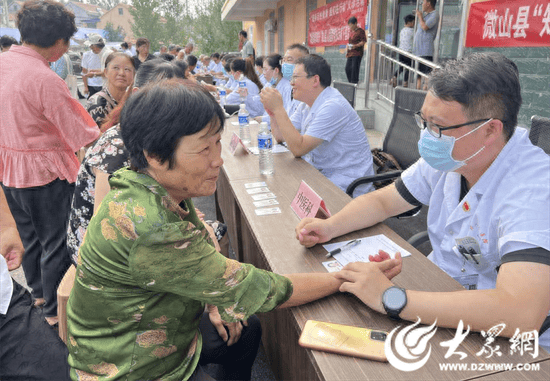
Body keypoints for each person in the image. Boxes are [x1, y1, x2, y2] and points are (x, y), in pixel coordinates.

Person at [65, 79, 404, 381]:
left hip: (159, 330)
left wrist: (214, 299)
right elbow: (260, 289)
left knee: (246, 330)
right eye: (203, 148)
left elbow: (201, 243)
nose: (219, 160)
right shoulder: (151, 227)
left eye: (218, 143)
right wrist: (343, 279)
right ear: (154, 154)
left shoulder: (145, 183)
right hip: (133, 366)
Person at [296, 52, 550, 351]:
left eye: (438, 127)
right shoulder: (457, 152)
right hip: (442, 293)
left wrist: (391, 298)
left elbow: (519, 313)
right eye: (424, 122)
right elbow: (383, 202)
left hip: (506, 341)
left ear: (490, 130)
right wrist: (330, 227)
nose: (428, 137)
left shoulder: (534, 189)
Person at [0, 0, 99, 328]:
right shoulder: (45, 79)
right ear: (59, 43)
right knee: (56, 241)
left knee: (28, 239)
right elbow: (81, 133)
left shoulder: (3, 64)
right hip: (46, 173)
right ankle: (55, 312)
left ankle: (39, 297)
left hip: (9, 171)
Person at [67, 59, 186, 265]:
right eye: (167, 98)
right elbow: (104, 227)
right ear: (139, 93)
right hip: (103, 253)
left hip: (136, 227)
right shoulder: (118, 147)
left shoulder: (151, 134)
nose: (176, 107)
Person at [261, 54, 374, 197]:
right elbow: (280, 136)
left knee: (281, 194)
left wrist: (279, 108)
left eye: (296, 77)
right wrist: (272, 113)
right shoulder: (306, 104)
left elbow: (298, 148)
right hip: (320, 174)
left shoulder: (333, 106)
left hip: (344, 186)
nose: (291, 83)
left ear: (315, 80)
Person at [1, 189, 71, 381]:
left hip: (6, 306)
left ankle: (45, 303)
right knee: (53, 242)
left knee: (61, 372)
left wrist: (6, 225)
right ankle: (50, 308)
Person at [86, 52, 135, 127]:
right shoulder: (97, 104)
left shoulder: (136, 100)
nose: (121, 73)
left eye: (127, 69)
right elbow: (99, 136)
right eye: (116, 68)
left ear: (134, 75)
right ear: (106, 72)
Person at [414, 0, 439, 89]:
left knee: (426, 71)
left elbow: (424, 27)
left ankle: (425, 89)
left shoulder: (435, 15)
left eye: (423, 2)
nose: (422, 4)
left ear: (428, 3)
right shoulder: (426, 15)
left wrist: (420, 16)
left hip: (426, 48)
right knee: (419, 70)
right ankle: (418, 87)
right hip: (419, 48)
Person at [258, 53, 292, 124]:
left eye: (265, 69)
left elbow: (287, 113)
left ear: (276, 70)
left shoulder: (287, 88)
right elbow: (260, 104)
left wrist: (263, 119)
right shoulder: (268, 85)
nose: (263, 73)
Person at [281, 43, 310, 119]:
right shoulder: (290, 87)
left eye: (289, 60)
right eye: (284, 60)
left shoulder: (310, 90)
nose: (284, 64)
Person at [391, 14, 415, 88]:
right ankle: (405, 82)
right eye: (414, 22)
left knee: (401, 67)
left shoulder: (402, 30)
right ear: (410, 22)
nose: (414, 24)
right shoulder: (412, 31)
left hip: (401, 51)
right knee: (408, 68)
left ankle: (394, 77)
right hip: (408, 52)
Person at [345, 16, 366, 84]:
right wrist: (348, 46)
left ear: (356, 23)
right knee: (347, 68)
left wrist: (355, 46)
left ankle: (354, 83)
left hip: (357, 53)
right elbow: (350, 41)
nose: (350, 27)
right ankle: (351, 82)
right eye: (349, 26)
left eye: (351, 25)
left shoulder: (360, 31)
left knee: (354, 68)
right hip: (350, 53)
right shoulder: (351, 32)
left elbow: (363, 42)